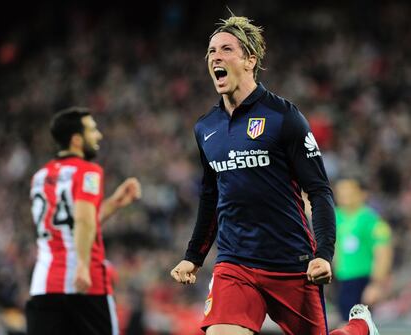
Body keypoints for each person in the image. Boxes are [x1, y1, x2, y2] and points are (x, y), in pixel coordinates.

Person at [170, 14, 379, 335]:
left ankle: (359, 328)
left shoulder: (284, 116)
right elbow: (211, 197)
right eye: (211, 51)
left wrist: (323, 254)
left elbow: (320, 191)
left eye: (226, 49)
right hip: (235, 262)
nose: (215, 57)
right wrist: (193, 257)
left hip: (291, 263)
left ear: (250, 60)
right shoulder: (205, 128)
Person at [25, 107, 142, 335]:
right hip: (85, 285)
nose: (98, 135)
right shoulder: (88, 172)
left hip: (43, 285)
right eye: (92, 130)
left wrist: (114, 203)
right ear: (77, 139)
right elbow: (83, 220)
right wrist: (81, 264)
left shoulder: (40, 176)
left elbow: (75, 225)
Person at [334, 178, 393, 321]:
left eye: (349, 190)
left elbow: (383, 252)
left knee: (358, 324)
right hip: (339, 280)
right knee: (343, 322)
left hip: (361, 280)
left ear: (362, 194)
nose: (344, 194)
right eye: (340, 191)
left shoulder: (372, 220)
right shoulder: (333, 216)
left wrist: (376, 285)